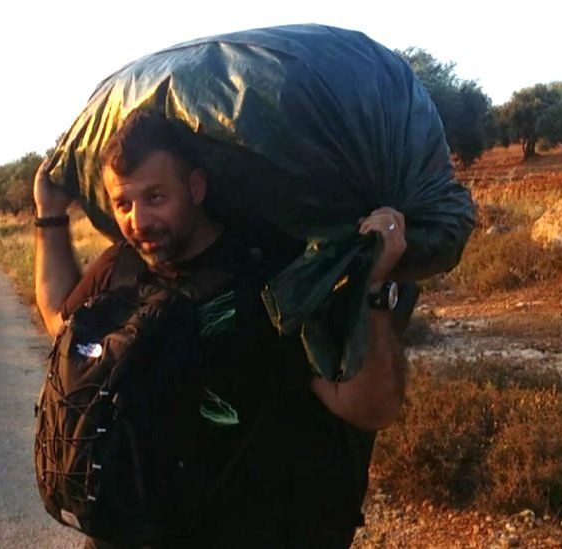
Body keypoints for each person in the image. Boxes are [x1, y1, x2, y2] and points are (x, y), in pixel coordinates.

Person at [33, 110, 416, 548]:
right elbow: (62, 326)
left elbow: (368, 408)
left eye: (155, 197)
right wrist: (49, 215)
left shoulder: (270, 280)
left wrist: (375, 290)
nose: (138, 220)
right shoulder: (120, 267)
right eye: (123, 204)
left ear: (195, 187)